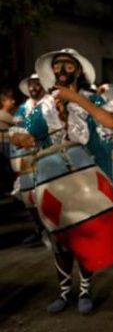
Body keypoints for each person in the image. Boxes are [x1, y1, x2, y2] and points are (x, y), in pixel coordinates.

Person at [32, 47, 113, 314]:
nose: (61, 70)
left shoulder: (94, 98)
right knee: (59, 238)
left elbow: (110, 121)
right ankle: (64, 292)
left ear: (78, 71)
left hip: (86, 180)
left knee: (84, 232)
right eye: (57, 66)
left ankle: (85, 290)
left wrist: (76, 100)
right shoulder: (44, 105)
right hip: (54, 180)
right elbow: (26, 131)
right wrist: (22, 136)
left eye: (68, 66)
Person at [8, 74, 62, 243]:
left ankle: (58, 230)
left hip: (51, 154)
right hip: (27, 157)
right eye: (31, 85)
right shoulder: (23, 108)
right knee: (28, 196)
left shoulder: (51, 103)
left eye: (37, 84)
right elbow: (15, 129)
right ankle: (41, 229)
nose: (33, 88)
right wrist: (18, 137)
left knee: (53, 194)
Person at [0, 87, 16, 197]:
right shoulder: (3, 114)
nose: (13, 102)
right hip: (3, 143)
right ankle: (7, 188)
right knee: (7, 165)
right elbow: (17, 122)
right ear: (3, 102)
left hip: (6, 142)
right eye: (10, 100)